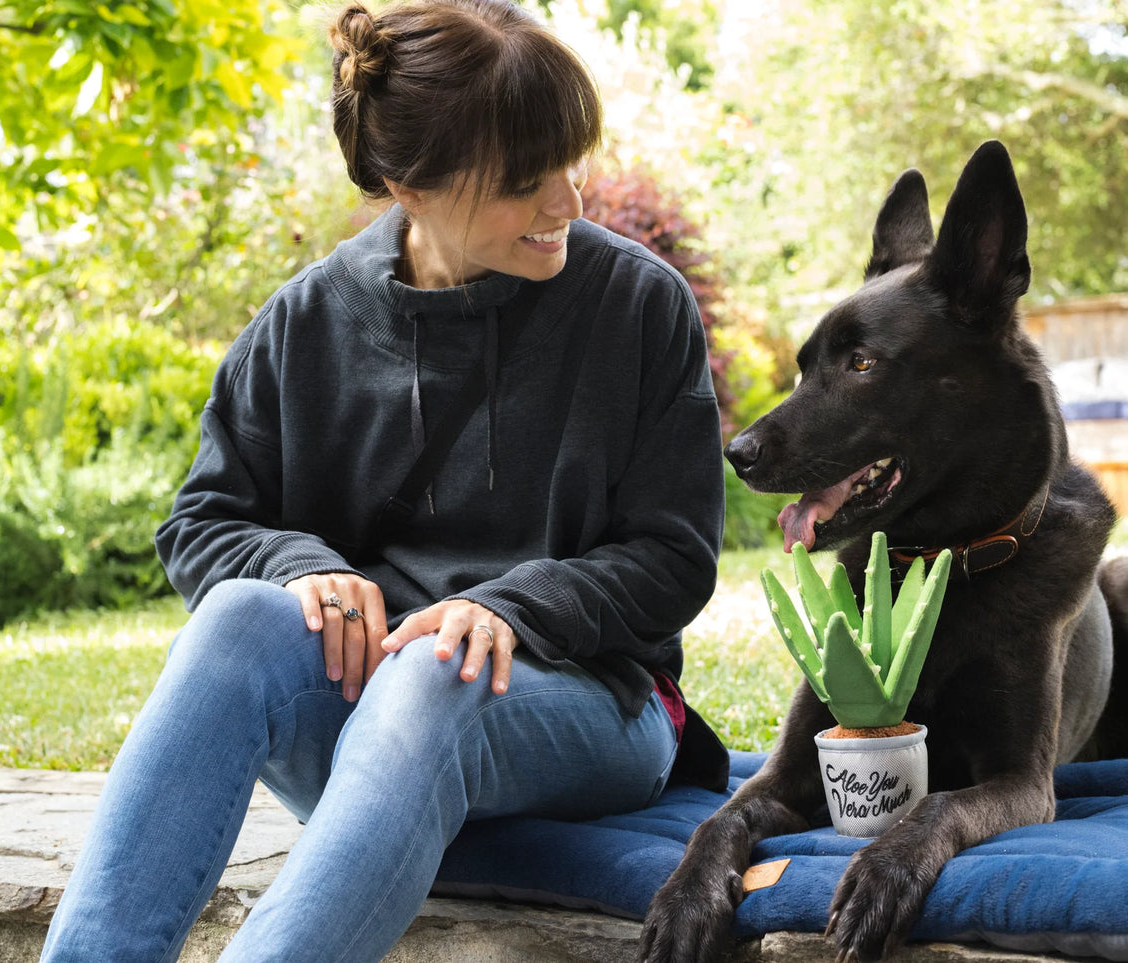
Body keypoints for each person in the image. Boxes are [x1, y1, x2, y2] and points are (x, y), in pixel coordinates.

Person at [38, 1, 728, 960]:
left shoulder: (637, 304)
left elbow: (674, 556)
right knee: (238, 618)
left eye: (573, 162)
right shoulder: (306, 321)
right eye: (525, 182)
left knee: (433, 667)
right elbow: (203, 520)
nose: (567, 202)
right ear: (409, 183)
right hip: (366, 721)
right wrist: (296, 566)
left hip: (593, 702)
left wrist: (511, 609)